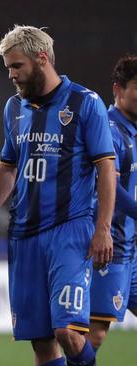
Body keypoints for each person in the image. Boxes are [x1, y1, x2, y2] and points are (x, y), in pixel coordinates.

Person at [0, 25, 116, 366]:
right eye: (8, 67)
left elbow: (106, 168)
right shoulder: (14, 107)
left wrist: (103, 228)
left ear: (42, 59)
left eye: (16, 66)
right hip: (24, 236)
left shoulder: (85, 103)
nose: (11, 75)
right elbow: (7, 166)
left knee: (67, 333)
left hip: (70, 231)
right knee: (41, 343)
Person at [87, 54, 137, 352]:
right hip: (111, 245)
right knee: (95, 332)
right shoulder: (108, 128)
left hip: (132, 246)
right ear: (117, 89)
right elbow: (111, 187)